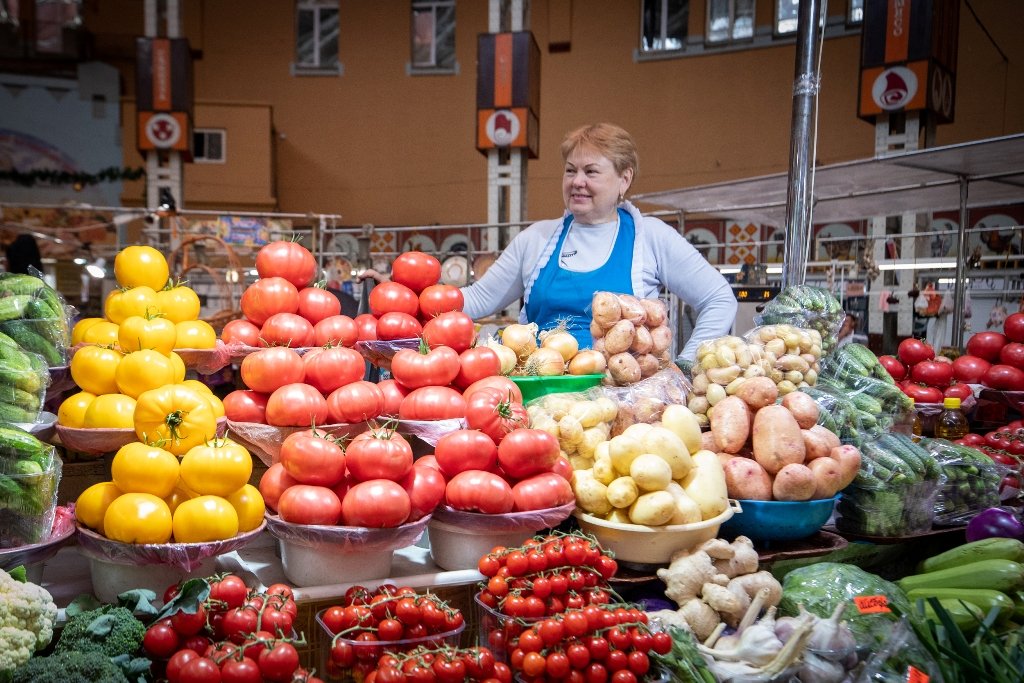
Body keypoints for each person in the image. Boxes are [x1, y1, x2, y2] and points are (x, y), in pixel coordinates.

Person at [361, 123, 737, 361]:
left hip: (620, 401)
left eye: (591, 171)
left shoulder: (651, 237)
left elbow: (719, 299)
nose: (577, 181)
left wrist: (687, 370)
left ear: (624, 179)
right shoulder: (537, 238)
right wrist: (407, 297)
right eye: (570, 170)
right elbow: (475, 301)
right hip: (540, 394)